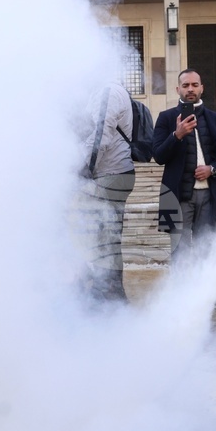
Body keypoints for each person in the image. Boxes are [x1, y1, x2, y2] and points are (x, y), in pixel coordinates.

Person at [151, 69, 216, 260]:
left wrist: (212, 169)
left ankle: (203, 290)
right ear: (177, 89)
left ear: (202, 88)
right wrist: (176, 135)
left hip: (209, 195)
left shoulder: (215, 118)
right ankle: (180, 289)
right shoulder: (166, 118)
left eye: (195, 85)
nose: (190, 89)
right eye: (186, 85)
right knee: (179, 251)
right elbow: (158, 156)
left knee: (206, 249)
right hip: (179, 196)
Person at [81, 82, 136, 303]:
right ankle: (109, 291)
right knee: (103, 236)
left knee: (107, 238)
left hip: (111, 173)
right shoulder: (100, 91)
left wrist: (84, 168)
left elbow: (101, 135)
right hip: (111, 173)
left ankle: (111, 295)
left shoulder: (107, 91)